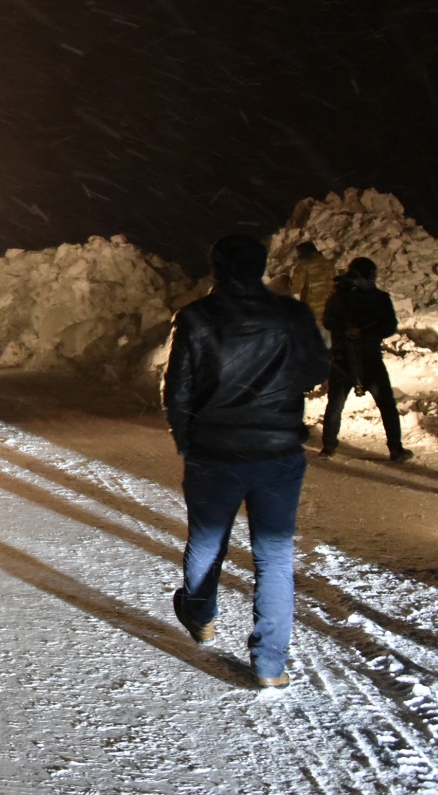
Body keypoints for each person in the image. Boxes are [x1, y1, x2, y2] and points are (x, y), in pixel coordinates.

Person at [164, 234, 328, 689]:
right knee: (274, 557)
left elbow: (177, 389)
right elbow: (317, 369)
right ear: (260, 266)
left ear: (216, 268)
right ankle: (270, 664)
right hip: (278, 452)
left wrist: (187, 440)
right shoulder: (291, 314)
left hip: (215, 453)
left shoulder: (197, 317)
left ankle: (200, 615)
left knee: (208, 540)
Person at [320, 257, 412, 462]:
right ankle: (328, 445)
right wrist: (347, 330)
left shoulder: (377, 298)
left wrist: (363, 332)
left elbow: (389, 326)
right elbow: (328, 321)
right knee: (336, 404)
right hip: (348, 357)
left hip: (366, 357)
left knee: (385, 403)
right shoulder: (341, 296)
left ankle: (395, 448)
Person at [289, 241, 336, 332]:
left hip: (313, 309)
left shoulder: (304, 265)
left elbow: (295, 288)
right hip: (330, 308)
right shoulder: (328, 263)